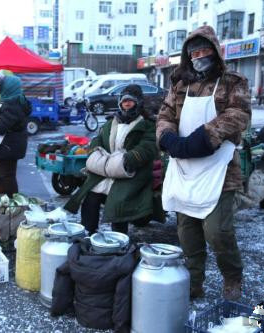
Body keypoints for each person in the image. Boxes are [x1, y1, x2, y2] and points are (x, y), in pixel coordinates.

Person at [156, 25, 251, 301]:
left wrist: (206, 137)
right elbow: (164, 116)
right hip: (185, 167)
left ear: (215, 50)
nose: (199, 55)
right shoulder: (180, 83)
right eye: (193, 51)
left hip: (219, 169)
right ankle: (193, 282)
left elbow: (239, 114)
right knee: (187, 232)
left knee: (217, 231)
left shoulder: (233, 82)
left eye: (204, 49)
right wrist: (169, 138)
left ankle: (232, 278)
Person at [64, 84, 157, 235]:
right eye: (123, 100)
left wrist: (126, 162)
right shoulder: (111, 123)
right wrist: (95, 154)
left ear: (138, 102)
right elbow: (97, 140)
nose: (126, 103)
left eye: (130, 101)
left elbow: (148, 147)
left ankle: (118, 240)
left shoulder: (147, 125)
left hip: (131, 173)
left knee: (118, 203)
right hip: (107, 170)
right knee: (90, 198)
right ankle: (88, 234)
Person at [0, 75, 31, 196]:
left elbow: (0, 128)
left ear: (8, 88)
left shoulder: (11, 105)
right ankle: (11, 200)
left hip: (9, 146)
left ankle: (13, 202)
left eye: (1, 86)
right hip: (14, 145)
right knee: (9, 175)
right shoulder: (20, 100)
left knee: (7, 176)